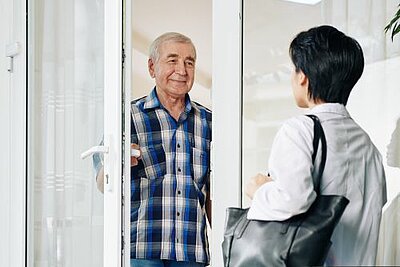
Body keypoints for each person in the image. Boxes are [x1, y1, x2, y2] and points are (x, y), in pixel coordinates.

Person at [245, 25, 387, 266]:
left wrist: (258, 190)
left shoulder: (299, 130)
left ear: (303, 76)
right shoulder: (368, 147)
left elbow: (293, 198)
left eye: (294, 69)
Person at [94, 32, 212, 267]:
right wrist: (119, 163)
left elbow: (213, 192)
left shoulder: (208, 122)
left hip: (191, 253)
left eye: (190, 62)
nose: (182, 69)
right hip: (142, 251)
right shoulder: (126, 118)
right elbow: (101, 182)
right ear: (151, 67)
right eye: (172, 60)